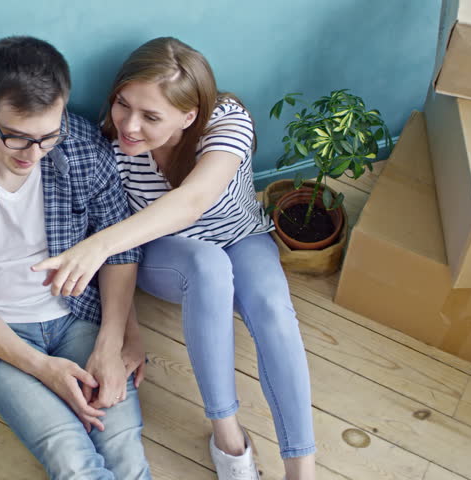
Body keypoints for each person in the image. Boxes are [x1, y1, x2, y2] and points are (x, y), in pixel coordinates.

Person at [33, 37, 316, 480]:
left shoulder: (228, 122)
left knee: (275, 312)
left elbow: (194, 201)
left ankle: (302, 468)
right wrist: (128, 332)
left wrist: (97, 244)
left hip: (240, 238)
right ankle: (228, 440)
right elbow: (123, 253)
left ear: (189, 116)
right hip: (169, 258)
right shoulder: (107, 146)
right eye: (122, 104)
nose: (128, 124)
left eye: (150, 116)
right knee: (208, 266)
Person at [0, 36, 151, 480]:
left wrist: (113, 342)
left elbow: (119, 246)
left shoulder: (80, 146)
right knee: (72, 463)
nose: (33, 155)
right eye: (17, 139)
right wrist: (43, 369)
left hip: (81, 316)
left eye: (47, 137)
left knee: (125, 451)